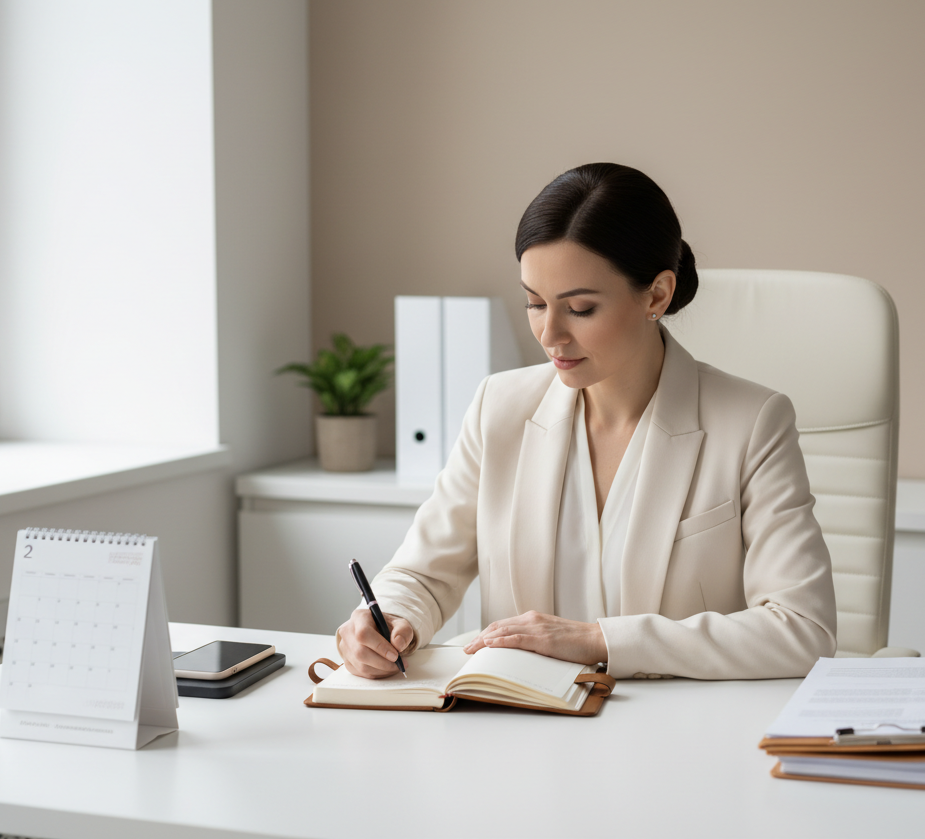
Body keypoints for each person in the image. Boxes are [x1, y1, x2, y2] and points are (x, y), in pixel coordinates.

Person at [337, 163, 837, 681]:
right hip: (521, 728)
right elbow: (423, 571)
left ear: (657, 295)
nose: (550, 334)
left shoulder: (752, 423)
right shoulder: (499, 407)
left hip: (676, 733)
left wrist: (596, 639)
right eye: (534, 303)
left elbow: (802, 629)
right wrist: (389, 618)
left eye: (579, 308)